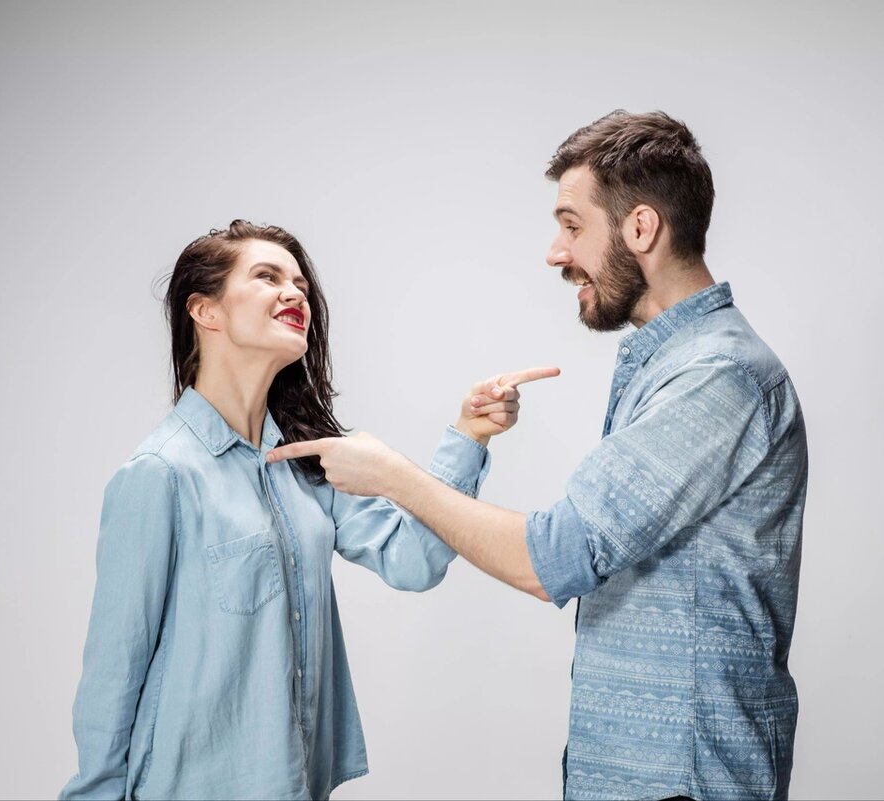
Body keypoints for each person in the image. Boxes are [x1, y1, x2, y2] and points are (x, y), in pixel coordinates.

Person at [267, 111, 809, 801]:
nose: (556, 253)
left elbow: (551, 557)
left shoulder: (716, 375)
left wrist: (394, 476)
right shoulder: (670, 363)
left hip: (681, 780)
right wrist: (465, 438)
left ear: (641, 228)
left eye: (572, 226)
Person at [59, 220, 537, 799]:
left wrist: (470, 434)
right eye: (267, 277)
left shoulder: (307, 463)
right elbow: (113, 673)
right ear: (205, 311)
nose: (295, 293)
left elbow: (412, 560)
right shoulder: (159, 475)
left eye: (301, 284)